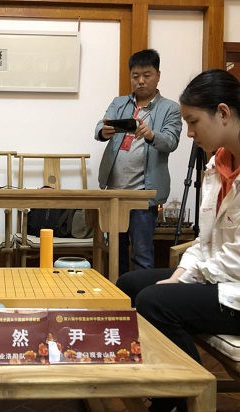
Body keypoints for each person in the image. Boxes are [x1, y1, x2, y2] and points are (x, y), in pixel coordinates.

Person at [117, 68, 240, 412]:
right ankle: (168, 390)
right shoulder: (220, 163)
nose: (189, 133)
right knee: (130, 283)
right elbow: (205, 241)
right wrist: (181, 275)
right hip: (234, 279)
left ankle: (185, 400)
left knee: (156, 302)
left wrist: (181, 281)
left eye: (193, 122)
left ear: (223, 112)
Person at [94, 49, 182, 275]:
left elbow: (171, 141)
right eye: (135, 76)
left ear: (158, 75)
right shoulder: (119, 103)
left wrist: (151, 134)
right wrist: (104, 131)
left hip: (144, 194)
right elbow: (100, 126)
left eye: (147, 75)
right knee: (116, 251)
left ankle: (142, 296)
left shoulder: (170, 108)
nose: (140, 81)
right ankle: (119, 293)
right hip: (115, 192)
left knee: (142, 252)